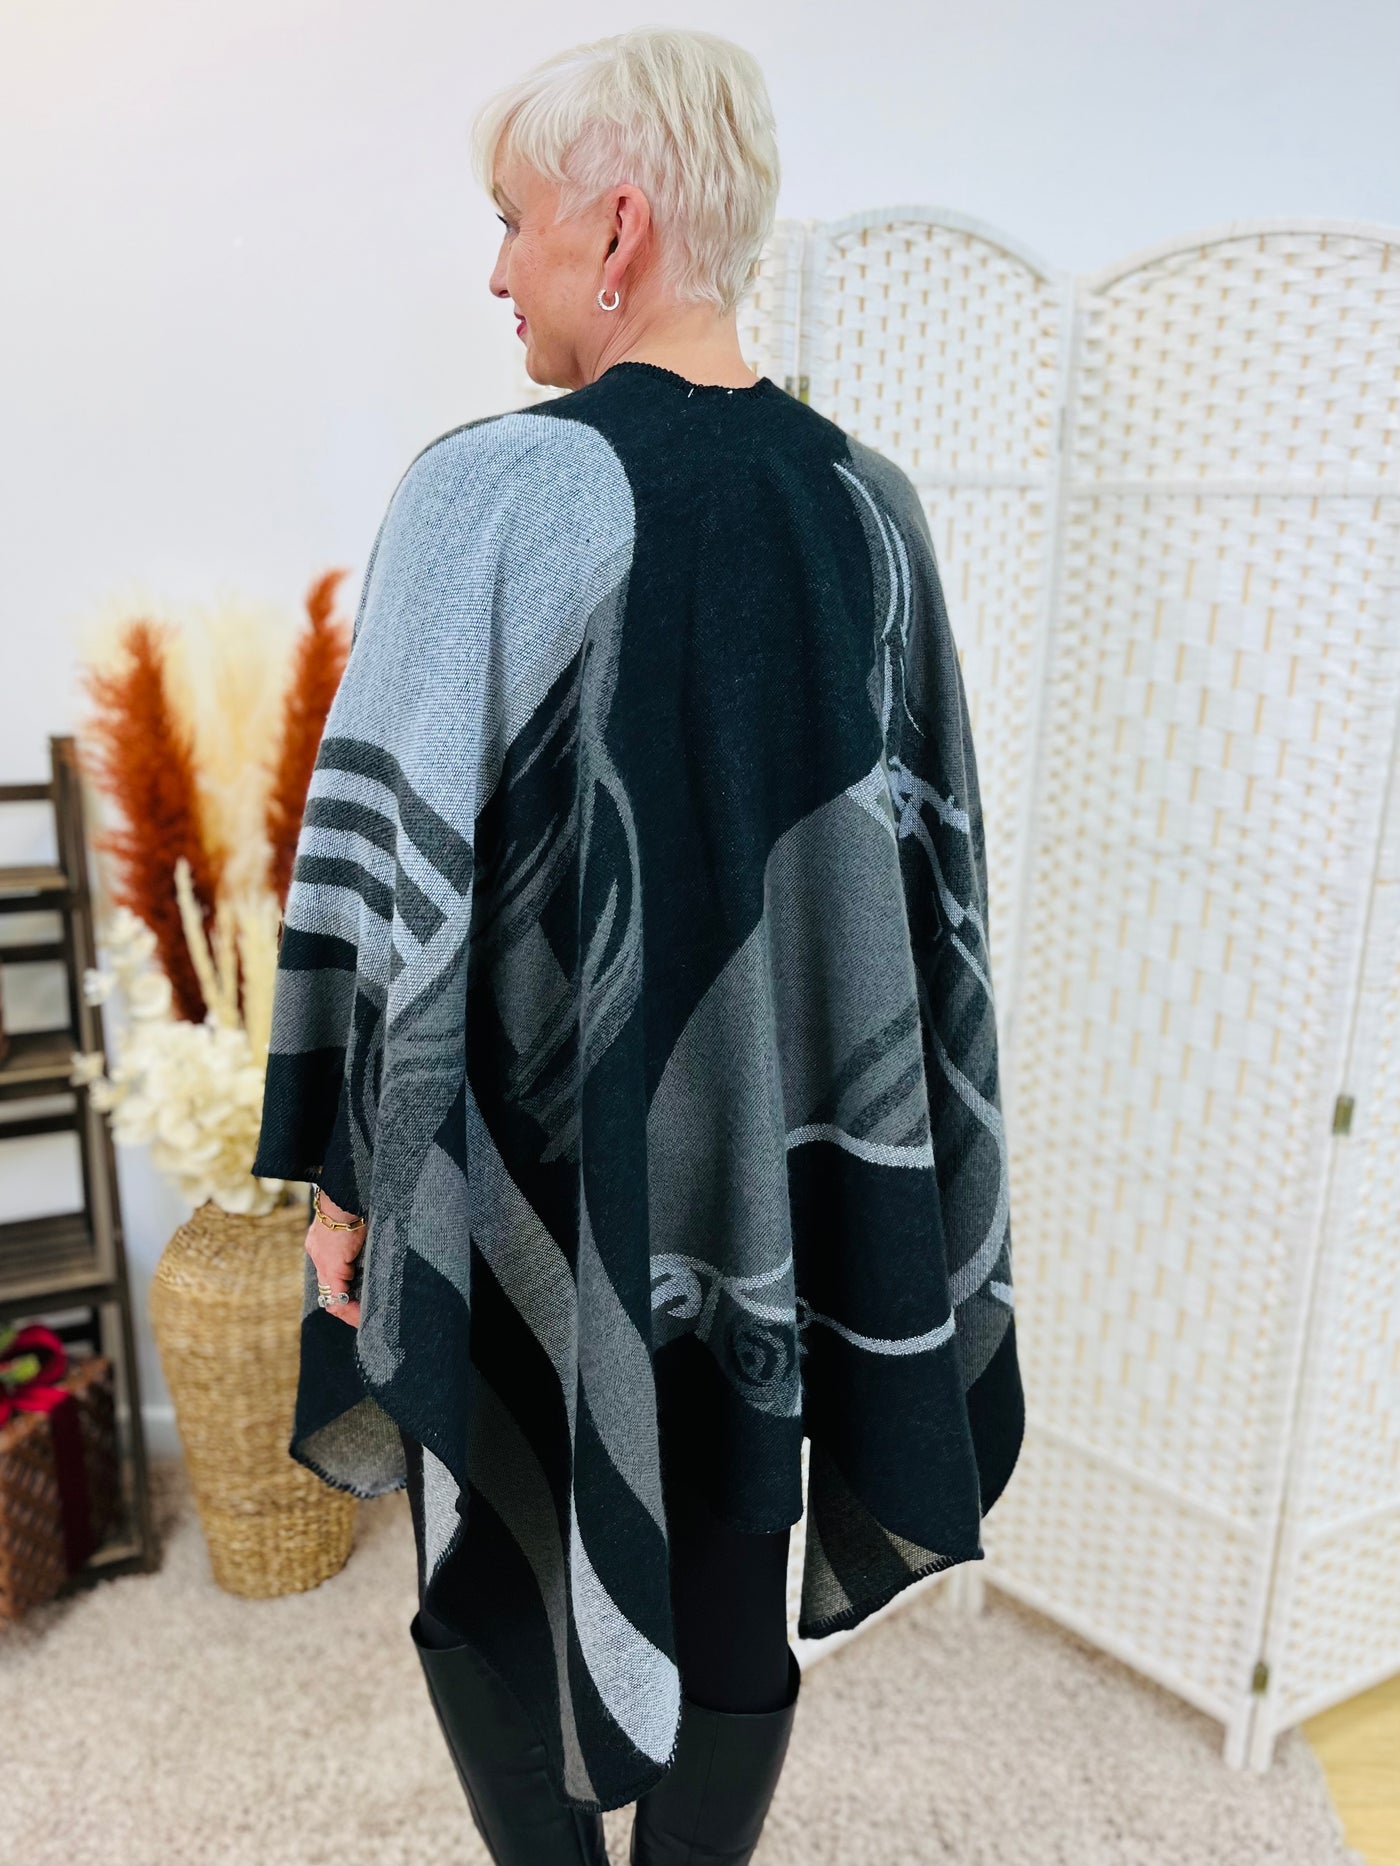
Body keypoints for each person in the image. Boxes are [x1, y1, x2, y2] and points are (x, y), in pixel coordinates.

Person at [251, 25, 1024, 1866]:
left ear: (614, 227)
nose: (494, 270)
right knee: (737, 1564)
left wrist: (348, 1180)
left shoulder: (486, 492)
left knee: (479, 1569)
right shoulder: (873, 510)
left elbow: (390, 898)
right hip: (769, 1191)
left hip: (530, 1164)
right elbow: (924, 918)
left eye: (509, 220)